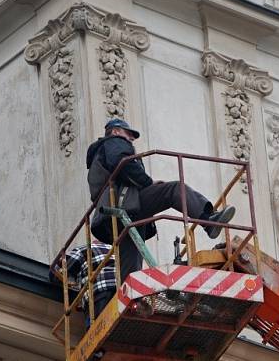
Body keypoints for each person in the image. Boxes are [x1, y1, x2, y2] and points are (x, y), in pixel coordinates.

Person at [87, 118, 235, 283]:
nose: (131, 139)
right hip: (124, 203)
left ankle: (128, 294)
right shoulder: (114, 142)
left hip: (115, 210)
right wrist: (149, 184)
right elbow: (124, 164)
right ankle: (209, 220)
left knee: (131, 257)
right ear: (115, 131)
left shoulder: (99, 156)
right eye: (128, 134)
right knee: (173, 190)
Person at [50, 241, 116, 328]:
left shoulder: (86, 249)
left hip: (100, 293)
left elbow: (57, 271)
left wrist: (70, 282)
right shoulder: (115, 249)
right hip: (119, 291)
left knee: (97, 329)